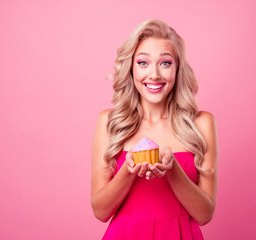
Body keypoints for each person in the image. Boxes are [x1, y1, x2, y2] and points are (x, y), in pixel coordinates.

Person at [91, 18, 219, 239]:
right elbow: (100, 211)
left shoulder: (201, 123)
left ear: (177, 69)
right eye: (143, 63)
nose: (154, 75)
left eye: (165, 63)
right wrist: (128, 171)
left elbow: (205, 215)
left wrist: (173, 169)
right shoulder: (110, 122)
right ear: (130, 68)